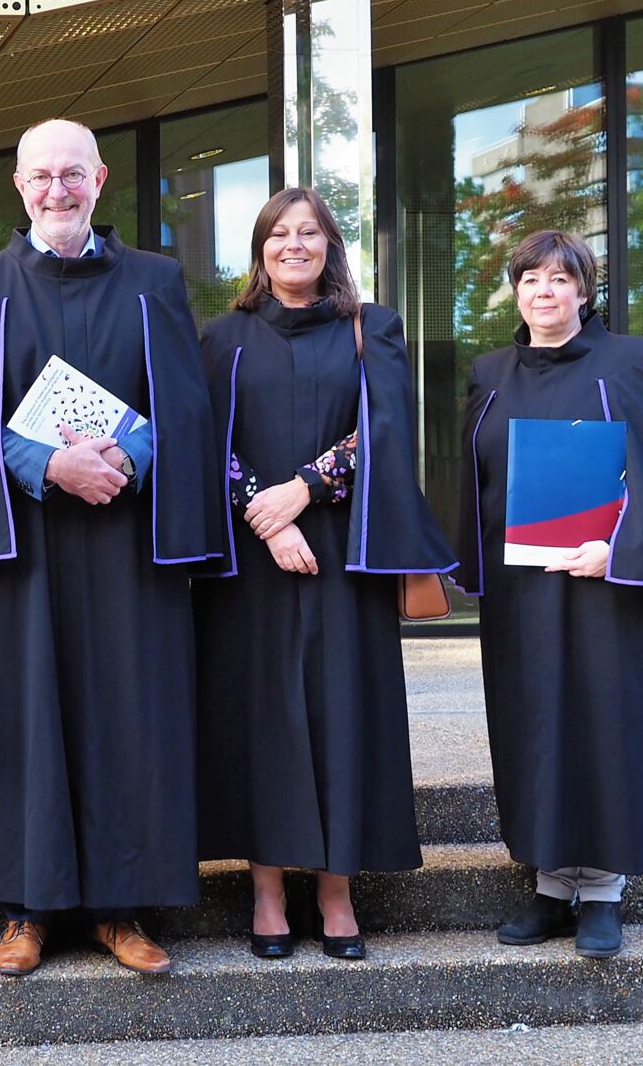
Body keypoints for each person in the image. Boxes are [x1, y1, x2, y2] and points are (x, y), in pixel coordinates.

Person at [0, 119, 224, 977]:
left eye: (72, 174)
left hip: (128, 543)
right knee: (28, 719)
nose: (56, 190)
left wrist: (126, 462)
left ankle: (119, 911)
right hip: (26, 544)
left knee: (128, 719)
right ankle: (28, 909)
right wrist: (50, 464)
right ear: (17, 186)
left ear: (100, 180)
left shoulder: (154, 282)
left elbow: (186, 405)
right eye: (40, 177)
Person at [193, 188, 456, 961]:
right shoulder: (223, 336)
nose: (294, 245)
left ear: (330, 245)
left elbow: (381, 430)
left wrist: (304, 490)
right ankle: (269, 892)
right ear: (260, 248)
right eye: (279, 233)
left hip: (347, 549)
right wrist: (265, 518)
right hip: (252, 561)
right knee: (261, 717)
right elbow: (208, 442)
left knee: (341, 713)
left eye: (309, 232)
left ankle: (337, 892)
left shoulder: (371, 328)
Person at [456, 228, 643, 960]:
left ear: (585, 291)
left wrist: (619, 548)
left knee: (602, 715)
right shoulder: (490, 370)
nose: (544, 291)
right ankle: (549, 884)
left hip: (603, 577)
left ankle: (602, 891)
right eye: (530, 278)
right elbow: (479, 476)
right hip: (519, 585)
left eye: (560, 279)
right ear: (516, 290)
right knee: (533, 723)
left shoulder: (629, 361)